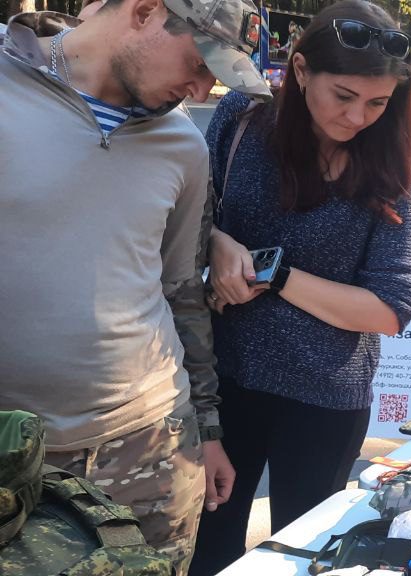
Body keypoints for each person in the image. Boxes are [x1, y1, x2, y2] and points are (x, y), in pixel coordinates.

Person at [0, 0, 271, 571]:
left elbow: (182, 291)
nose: (200, 91)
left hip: (148, 446)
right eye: (200, 64)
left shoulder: (183, 146)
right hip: (9, 455)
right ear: (146, 12)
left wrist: (208, 429)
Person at [188, 2, 411, 573]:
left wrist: (278, 275)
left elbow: (392, 309)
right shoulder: (241, 119)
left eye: (377, 103)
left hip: (325, 398)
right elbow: (188, 212)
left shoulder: (388, 168)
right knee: (207, 548)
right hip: (222, 382)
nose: (357, 117)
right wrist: (215, 240)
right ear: (298, 71)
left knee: (303, 555)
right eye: (342, 95)